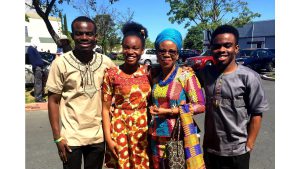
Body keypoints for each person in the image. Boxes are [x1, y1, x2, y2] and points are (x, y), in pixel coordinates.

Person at [46, 16, 115, 169]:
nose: (84, 37)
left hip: (98, 136)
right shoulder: (60, 63)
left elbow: (122, 82)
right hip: (71, 137)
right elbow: (53, 101)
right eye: (79, 33)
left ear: (95, 37)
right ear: (72, 36)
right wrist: (57, 138)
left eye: (89, 34)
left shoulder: (105, 62)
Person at [197, 25, 269, 169]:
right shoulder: (205, 73)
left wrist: (249, 145)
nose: (222, 50)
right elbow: (184, 80)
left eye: (227, 45)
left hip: (237, 151)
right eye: (217, 46)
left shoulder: (249, 77)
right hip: (210, 149)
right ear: (211, 49)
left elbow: (256, 113)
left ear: (236, 48)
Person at [149, 28, 206, 169]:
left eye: (172, 51)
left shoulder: (186, 76)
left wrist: (170, 111)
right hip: (156, 136)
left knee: (176, 166)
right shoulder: (155, 75)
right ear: (156, 53)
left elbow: (200, 105)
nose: (166, 55)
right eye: (162, 51)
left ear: (178, 53)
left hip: (177, 137)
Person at [102, 21, 151, 169]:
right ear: (122, 48)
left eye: (135, 48)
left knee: (143, 164)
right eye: (127, 47)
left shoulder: (149, 72)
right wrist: (108, 139)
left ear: (142, 50)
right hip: (119, 127)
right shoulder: (111, 74)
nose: (131, 52)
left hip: (143, 129)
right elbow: (104, 109)